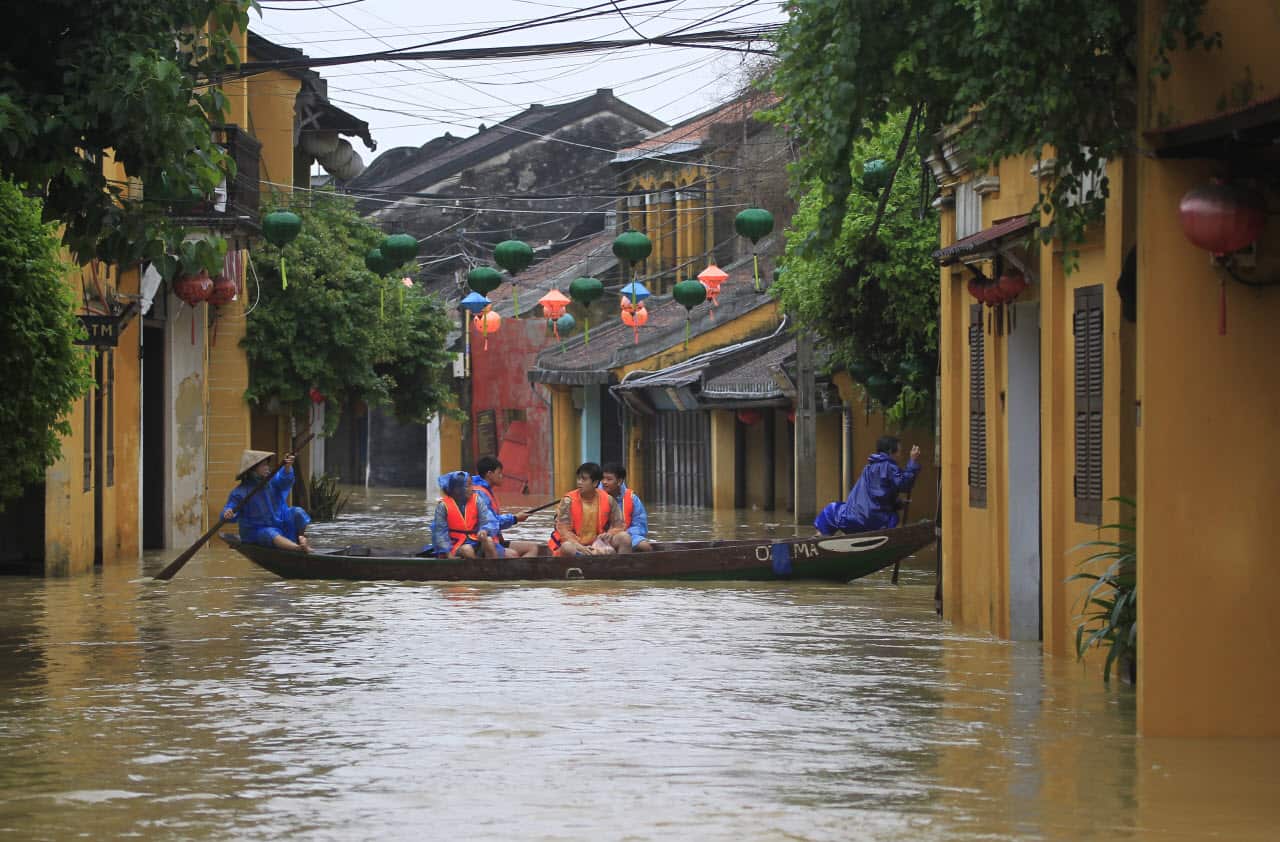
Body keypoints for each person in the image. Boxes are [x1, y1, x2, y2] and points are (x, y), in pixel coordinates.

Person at [814, 436, 921, 536]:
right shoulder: (889, 467)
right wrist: (912, 461)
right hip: (875, 522)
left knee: (831, 510)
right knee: (893, 518)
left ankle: (819, 538)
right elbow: (904, 484)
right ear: (890, 451)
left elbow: (877, 495)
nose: (900, 455)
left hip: (853, 518)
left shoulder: (869, 467)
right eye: (899, 451)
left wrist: (897, 503)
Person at [222, 449, 312, 552]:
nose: (267, 468)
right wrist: (228, 513)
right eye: (263, 465)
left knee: (297, 512)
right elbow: (229, 511)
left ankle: (300, 539)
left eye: (267, 464)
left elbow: (285, 481)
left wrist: (287, 467)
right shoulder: (240, 491)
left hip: (279, 522)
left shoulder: (271, 481)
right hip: (256, 531)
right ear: (253, 469)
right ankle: (297, 548)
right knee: (269, 533)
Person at [548, 462, 632, 556]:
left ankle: (620, 569)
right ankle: (582, 561)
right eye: (578, 478)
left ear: (595, 483)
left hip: (598, 543)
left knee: (625, 538)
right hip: (575, 544)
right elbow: (563, 530)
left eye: (584, 479)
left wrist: (610, 534)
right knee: (567, 547)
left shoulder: (608, 499)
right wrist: (578, 546)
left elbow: (619, 525)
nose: (579, 482)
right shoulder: (568, 501)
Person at [472, 456, 541, 558]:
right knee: (513, 554)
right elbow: (492, 522)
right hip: (482, 542)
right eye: (499, 473)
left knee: (532, 547)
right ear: (489, 474)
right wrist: (515, 518)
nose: (501, 476)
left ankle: (522, 573)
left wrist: (515, 518)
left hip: (495, 539)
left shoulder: (485, 490)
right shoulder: (480, 493)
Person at [429, 471, 501, 559]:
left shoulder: (477, 500)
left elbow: (488, 520)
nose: (472, 489)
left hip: (475, 540)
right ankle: (477, 570)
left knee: (489, 541)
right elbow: (440, 532)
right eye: (468, 486)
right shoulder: (443, 506)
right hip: (455, 545)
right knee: (467, 549)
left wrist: (484, 530)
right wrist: (447, 553)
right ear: (457, 489)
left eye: (472, 485)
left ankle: (493, 569)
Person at [600, 463, 653, 552]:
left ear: (619, 481)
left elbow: (640, 525)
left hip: (627, 534)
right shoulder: (595, 495)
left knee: (645, 547)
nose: (604, 482)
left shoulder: (632, 498)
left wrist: (624, 533)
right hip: (600, 535)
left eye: (609, 479)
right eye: (603, 478)